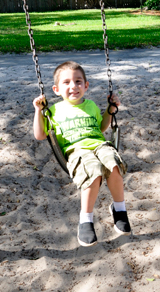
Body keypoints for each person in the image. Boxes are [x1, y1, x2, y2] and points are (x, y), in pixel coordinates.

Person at [33, 61, 131, 246]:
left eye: (78, 81)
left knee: (114, 163)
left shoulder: (91, 105)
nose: (73, 86)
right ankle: (86, 220)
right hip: (76, 150)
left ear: (86, 85)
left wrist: (110, 110)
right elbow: (40, 135)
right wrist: (39, 111)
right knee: (93, 172)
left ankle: (120, 209)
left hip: (99, 145)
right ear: (56, 89)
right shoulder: (52, 111)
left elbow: (102, 127)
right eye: (67, 82)